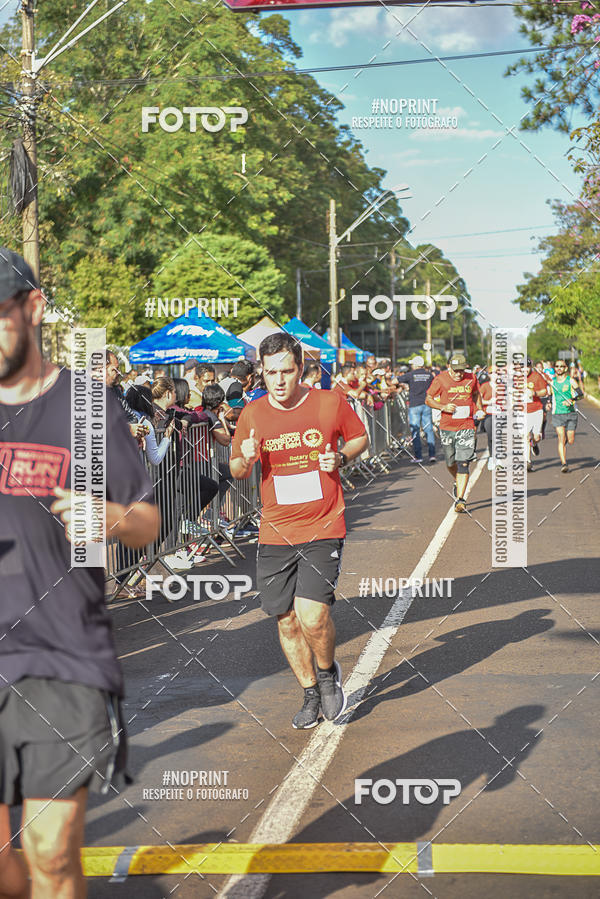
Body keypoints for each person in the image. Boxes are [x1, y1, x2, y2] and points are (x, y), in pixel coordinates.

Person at [0, 247, 160, 899]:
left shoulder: (87, 410)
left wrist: (110, 515)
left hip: (63, 654)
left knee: (53, 854)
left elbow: (149, 522)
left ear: (33, 307)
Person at [230, 332, 368, 729]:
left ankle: (327, 674)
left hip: (323, 523)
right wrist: (247, 458)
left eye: (286, 371)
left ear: (301, 369)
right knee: (286, 620)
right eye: (270, 372)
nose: (278, 380)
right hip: (275, 531)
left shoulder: (328, 402)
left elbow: (359, 437)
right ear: (262, 372)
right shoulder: (253, 414)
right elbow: (237, 470)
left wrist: (340, 457)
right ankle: (309, 691)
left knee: (311, 616)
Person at [425, 352, 484, 513]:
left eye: (461, 370)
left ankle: (461, 500)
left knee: (464, 462)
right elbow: (428, 399)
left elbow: (476, 393)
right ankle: (457, 481)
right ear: (449, 366)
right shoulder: (440, 379)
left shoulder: (471, 378)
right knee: (451, 463)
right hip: (447, 427)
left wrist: (479, 409)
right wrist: (443, 407)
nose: (458, 374)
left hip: (466, 426)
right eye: (455, 370)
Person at [396, 355, 436, 463]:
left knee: (415, 431)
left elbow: (396, 380)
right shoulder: (429, 375)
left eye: (412, 364)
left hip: (414, 405)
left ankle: (419, 456)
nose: (411, 365)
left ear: (416, 364)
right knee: (428, 429)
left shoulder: (410, 374)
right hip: (427, 403)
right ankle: (432, 455)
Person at [550, 359, 580, 473]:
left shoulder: (570, 381)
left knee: (570, 440)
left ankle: (565, 443)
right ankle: (564, 464)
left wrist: (571, 399)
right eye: (557, 366)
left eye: (561, 366)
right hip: (557, 413)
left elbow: (581, 394)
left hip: (571, 413)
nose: (559, 368)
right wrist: (548, 403)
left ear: (565, 368)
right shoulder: (552, 382)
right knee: (561, 438)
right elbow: (549, 395)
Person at [525, 358, 548, 472]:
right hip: (522, 411)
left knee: (536, 437)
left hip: (536, 410)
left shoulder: (536, 376)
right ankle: (527, 461)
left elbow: (544, 391)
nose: (525, 369)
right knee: (525, 436)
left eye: (527, 367)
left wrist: (534, 393)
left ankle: (534, 444)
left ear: (530, 367)